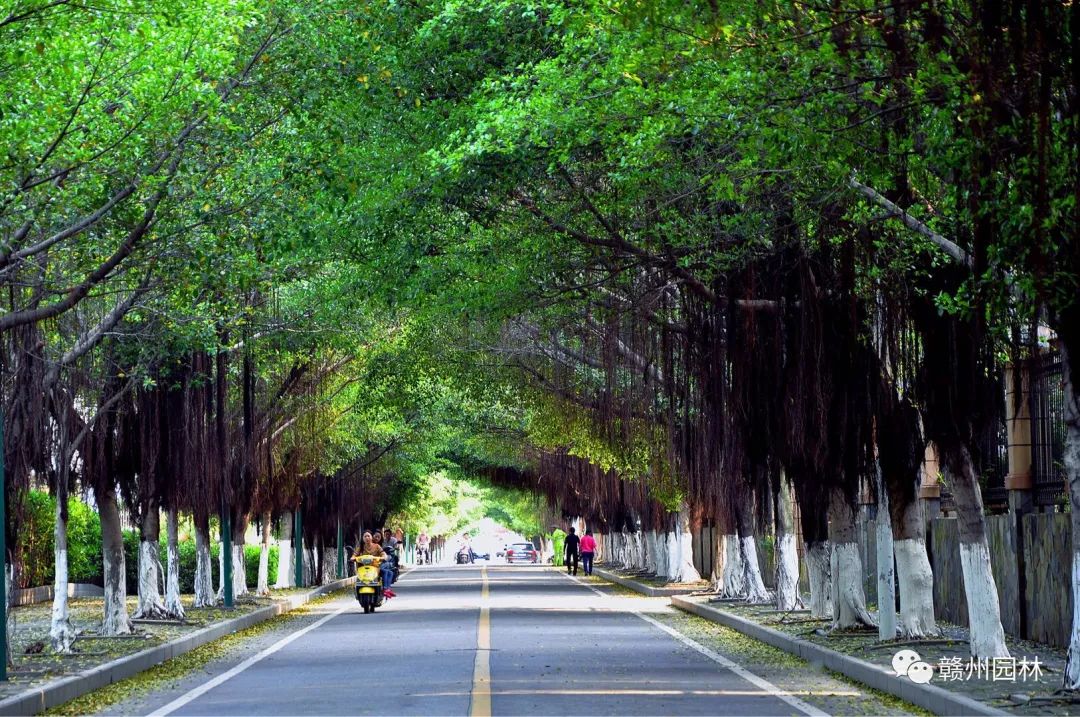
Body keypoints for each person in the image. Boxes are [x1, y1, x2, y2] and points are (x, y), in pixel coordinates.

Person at [371, 530, 396, 598]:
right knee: (385, 571)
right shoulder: (369, 544)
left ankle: (388, 589)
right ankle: (385, 589)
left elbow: (383, 553)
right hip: (371, 566)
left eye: (378, 537)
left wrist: (384, 556)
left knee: (390, 572)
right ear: (372, 536)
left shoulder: (379, 546)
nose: (377, 538)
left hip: (378, 565)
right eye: (376, 536)